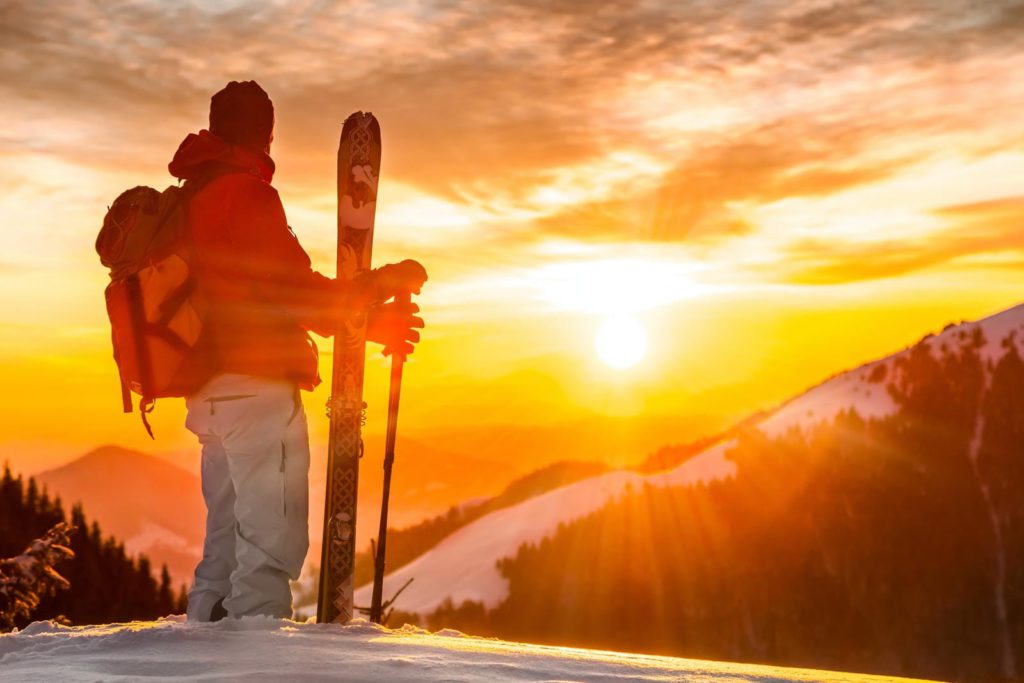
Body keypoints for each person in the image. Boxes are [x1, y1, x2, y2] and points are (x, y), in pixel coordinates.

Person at [167, 81, 425, 621]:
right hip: (258, 394)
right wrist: (379, 284)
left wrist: (370, 325)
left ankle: (201, 647)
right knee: (267, 552)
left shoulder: (190, 199)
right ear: (266, 135)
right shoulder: (245, 195)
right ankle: (257, 657)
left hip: (208, 396)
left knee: (224, 549)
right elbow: (299, 294)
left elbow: (256, 298)